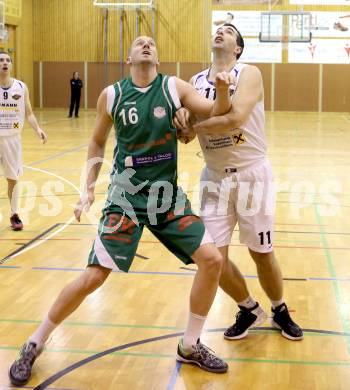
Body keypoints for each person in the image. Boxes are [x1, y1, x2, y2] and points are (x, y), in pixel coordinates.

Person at [9, 36, 234, 386]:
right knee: (93, 277)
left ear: (157, 58)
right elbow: (98, 140)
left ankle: (190, 344)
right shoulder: (112, 95)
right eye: (139, 43)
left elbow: (219, 110)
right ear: (128, 58)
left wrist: (221, 89)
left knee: (213, 260)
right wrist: (86, 188)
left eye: (151, 43)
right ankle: (34, 343)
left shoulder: (175, 87)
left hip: (166, 197)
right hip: (126, 197)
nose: (146, 44)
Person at [175, 24, 303, 341]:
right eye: (217, 28)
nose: (220, 32)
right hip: (214, 178)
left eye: (229, 31)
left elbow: (235, 119)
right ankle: (248, 308)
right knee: (212, 259)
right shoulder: (194, 82)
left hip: (251, 173)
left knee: (261, 252)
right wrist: (181, 123)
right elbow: (187, 130)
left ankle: (279, 308)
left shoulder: (249, 73)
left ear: (238, 48)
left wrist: (195, 128)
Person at [0, 51, 47, 231]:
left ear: (11, 65)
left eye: (7, 60)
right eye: (1, 60)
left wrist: (38, 129)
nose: (4, 63)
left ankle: (14, 214)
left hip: (12, 138)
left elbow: (29, 113)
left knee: (12, 179)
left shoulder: (21, 87)